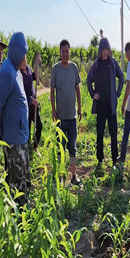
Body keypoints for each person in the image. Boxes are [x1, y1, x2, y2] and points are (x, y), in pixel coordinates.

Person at [0, 32, 31, 205]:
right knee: (16, 178)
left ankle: (25, 206)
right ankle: (18, 213)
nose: (25, 58)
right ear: (16, 52)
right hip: (13, 138)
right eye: (23, 54)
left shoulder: (15, 70)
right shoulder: (7, 72)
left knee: (24, 173)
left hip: (21, 134)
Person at [87, 37, 124, 171]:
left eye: (107, 49)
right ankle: (100, 160)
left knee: (113, 133)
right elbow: (88, 80)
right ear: (100, 50)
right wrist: (93, 94)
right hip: (101, 105)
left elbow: (121, 76)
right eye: (104, 50)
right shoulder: (96, 65)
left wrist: (118, 93)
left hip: (111, 105)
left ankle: (114, 160)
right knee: (100, 133)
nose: (106, 52)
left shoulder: (113, 63)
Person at [50, 39, 82, 185]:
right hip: (60, 117)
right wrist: (53, 110)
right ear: (60, 52)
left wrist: (80, 108)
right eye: (62, 51)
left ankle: (73, 175)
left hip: (72, 116)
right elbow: (52, 91)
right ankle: (60, 175)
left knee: (72, 147)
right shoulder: (55, 69)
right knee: (60, 147)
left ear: (69, 52)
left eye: (67, 51)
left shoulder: (74, 68)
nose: (64, 54)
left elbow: (77, 89)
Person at [20, 54, 42, 150]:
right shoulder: (19, 74)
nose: (24, 63)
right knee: (27, 131)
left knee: (39, 126)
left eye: (25, 60)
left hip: (34, 106)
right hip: (25, 107)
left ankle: (35, 146)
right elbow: (20, 93)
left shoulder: (28, 68)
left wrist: (37, 63)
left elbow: (34, 76)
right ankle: (27, 150)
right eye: (22, 61)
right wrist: (31, 100)